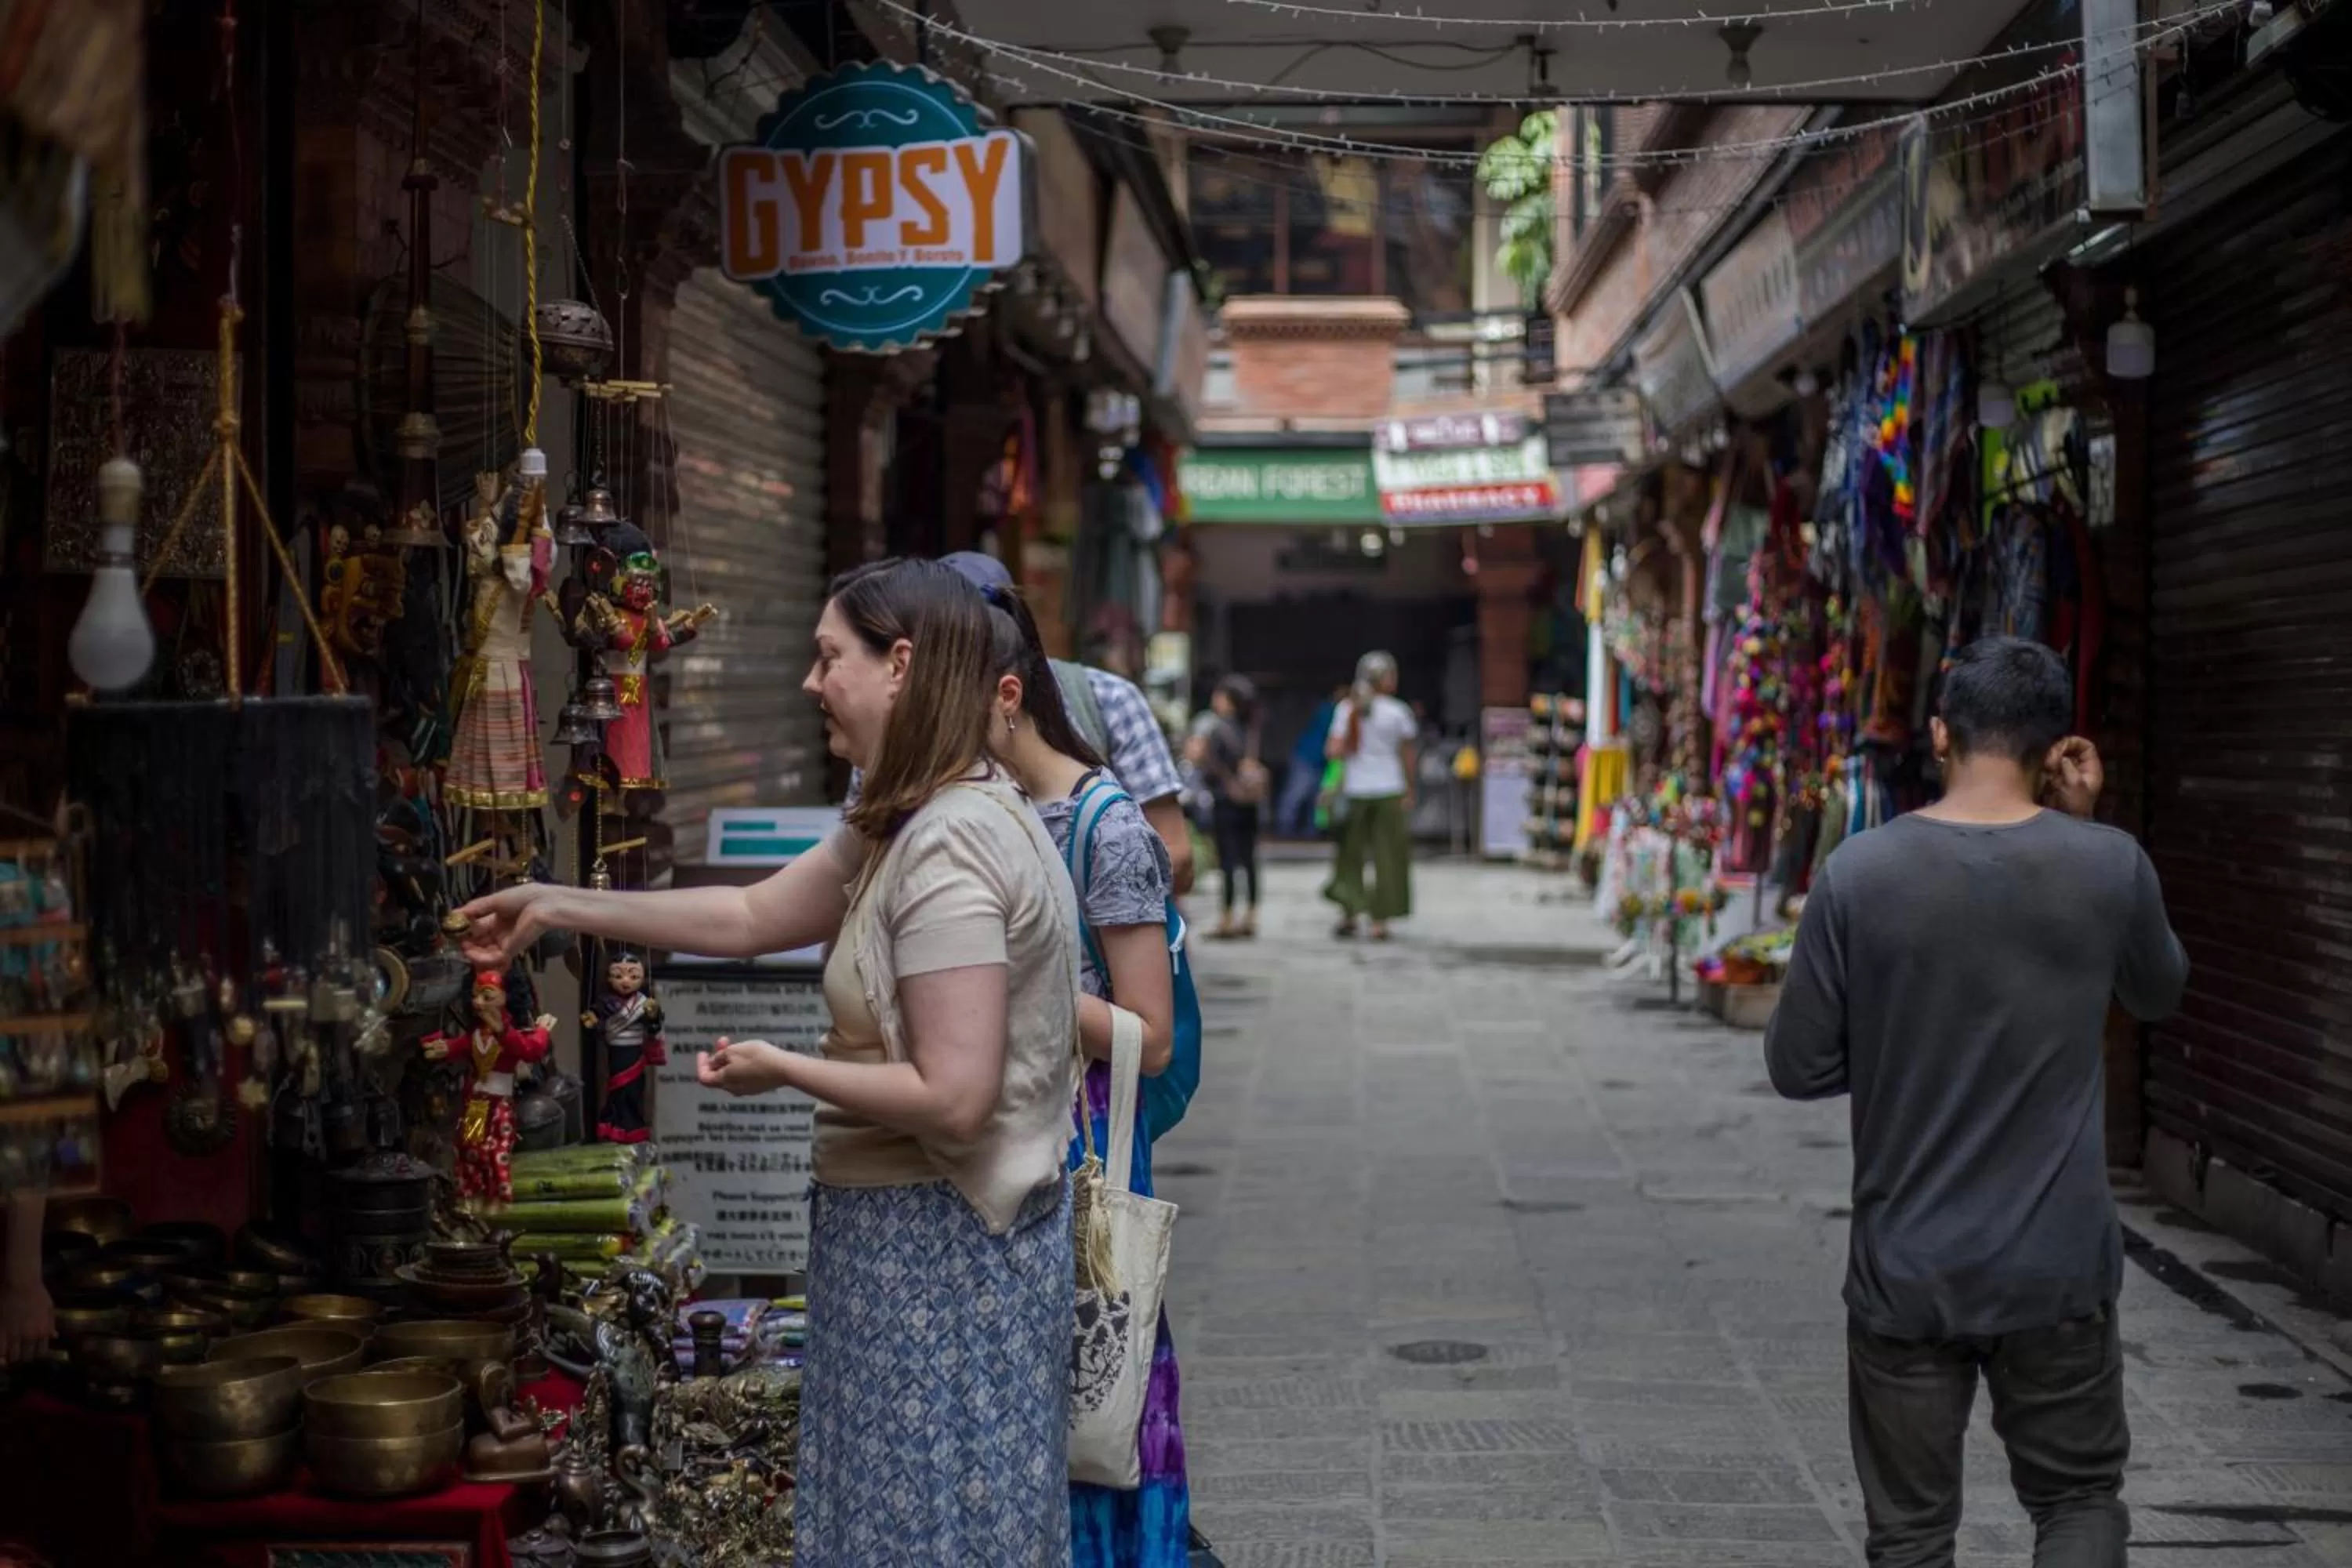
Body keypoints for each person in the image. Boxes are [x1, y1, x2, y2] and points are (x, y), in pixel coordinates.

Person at [455, 558, 1080, 1566]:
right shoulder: (909, 813)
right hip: (914, 1257)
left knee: (926, 1536)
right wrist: (558, 903)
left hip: (942, 1263)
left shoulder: (951, 844)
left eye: (831, 656)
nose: (810, 680)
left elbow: (955, 1100)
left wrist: (788, 1065)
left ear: (901, 665)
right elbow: (751, 915)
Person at [1765, 637, 2188, 1568]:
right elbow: (2159, 991)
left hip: (1908, 1263)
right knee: (2079, 1499)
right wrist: (2083, 824)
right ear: (2052, 746)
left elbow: (1797, 1064)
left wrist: (1899, 1041)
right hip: (2059, 1266)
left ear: (1939, 732)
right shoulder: (2109, 865)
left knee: (1911, 1535)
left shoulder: (1859, 873)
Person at [982, 584, 1192, 1568]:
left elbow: (1149, 1035)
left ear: (1006, 693)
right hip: (1008, 1120)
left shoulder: (1105, 825)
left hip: (1090, 1133)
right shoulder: (977, 806)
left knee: (1099, 1370)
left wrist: (1008, 988)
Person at [1323, 652, 1417, 941]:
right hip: (1389, 789)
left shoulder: (1346, 709)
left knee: (1350, 855)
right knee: (1387, 856)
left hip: (1356, 790)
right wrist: (1409, 787)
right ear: (1385, 679)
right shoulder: (1398, 711)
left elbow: (1334, 751)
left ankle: (1349, 913)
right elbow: (1407, 754)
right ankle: (1380, 921)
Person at [1186, 676, 1264, 939]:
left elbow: (1202, 762)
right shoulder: (1251, 727)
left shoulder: (1214, 728)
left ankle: (1228, 917)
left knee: (1229, 859)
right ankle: (1251, 915)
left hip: (1225, 799)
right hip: (1249, 800)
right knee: (1250, 858)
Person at [1276, 688, 1343, 839]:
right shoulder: (1330, 710)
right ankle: (1284, 829)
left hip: (1321, 762)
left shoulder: (1337, 711)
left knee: (1315, 799)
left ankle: (1311, 832)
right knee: (1296, 795)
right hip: (1306, 757)